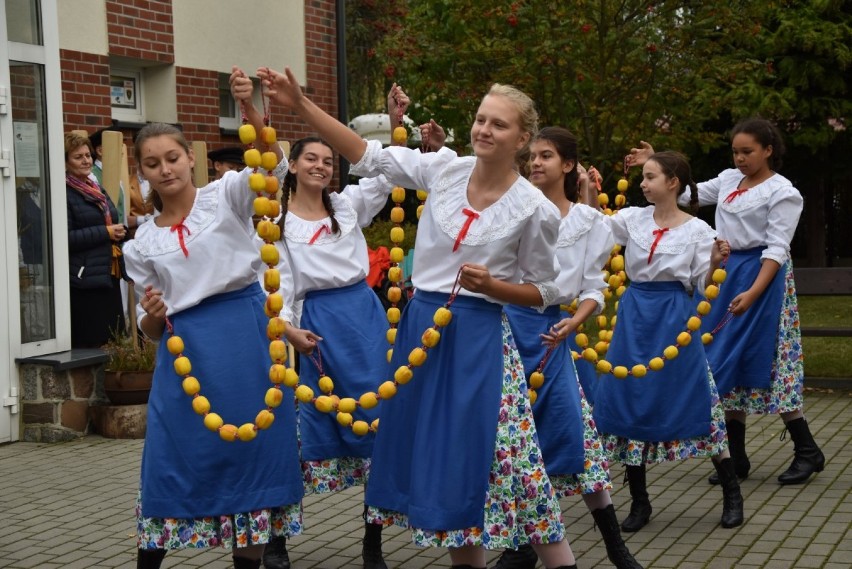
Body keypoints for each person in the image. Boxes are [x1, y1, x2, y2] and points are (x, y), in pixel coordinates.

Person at [260, 66, 580, 569]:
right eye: (480, 119)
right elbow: (364, 153)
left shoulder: (533, 208)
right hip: (420, 331)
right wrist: (299, 106)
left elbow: (546, 290)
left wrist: (493, 286)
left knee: (512, 463)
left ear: (522, 137)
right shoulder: (446, 169)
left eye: (498, 124)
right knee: (443, 468)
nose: (484, 130)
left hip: (477, 340)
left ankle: (557, 556)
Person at [231, 73, 401, 569]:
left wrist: (394, 123)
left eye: (329, 161)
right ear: (295, 166)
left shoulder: (347, 209)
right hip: (314, 324)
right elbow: (276, 280)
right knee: (299, 430)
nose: (322, 166)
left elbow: (387, 175)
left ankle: (373, 542)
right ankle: (279, 541)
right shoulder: (277, 220)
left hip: (363, 321)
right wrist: (286, 329)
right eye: (312, 159)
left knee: (375, 424)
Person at [122, 112, 303, 568]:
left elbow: (271, 167)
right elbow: (147, 324)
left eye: (172, 157)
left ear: (190, 159)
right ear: (141, 172)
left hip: (245, 338)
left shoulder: (225, 196)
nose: (165, 169)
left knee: (253, 456)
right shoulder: (140, 243)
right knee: (169, 460)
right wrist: (156, 317)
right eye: (151, 163)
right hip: (186, 353)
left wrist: (255, 112)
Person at [627, 119, 824, 485]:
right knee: (723, 360)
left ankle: (807, 449)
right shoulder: (730, 179)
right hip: (726, 273)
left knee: (766, 360)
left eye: (747, 152)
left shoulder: (783, 192)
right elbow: (686, 196)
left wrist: (753, 292)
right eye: (736, 151)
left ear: (768, 150)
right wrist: (655, 162)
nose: (740, 159)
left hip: (763, 277)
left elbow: (778, 249)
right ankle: (737, 457)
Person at [497, 127, 641, 569]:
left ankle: (617, 549)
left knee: (571, 434)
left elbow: (594, 288)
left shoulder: (589, 223)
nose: (536, 163)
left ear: (568, 165)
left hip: (550, 332)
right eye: (532, 156)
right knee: (510, 444)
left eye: (546, 156)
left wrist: (573, 321)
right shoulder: (509, 211)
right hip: (503, 331)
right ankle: (522, 546)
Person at [592, 151, 744, 532]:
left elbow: (703, 285)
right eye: (642, 177)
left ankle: (731, 491)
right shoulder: (633, 218)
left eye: (650, 176)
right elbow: (593, 227)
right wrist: (587, 190)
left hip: (674, 315)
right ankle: (640, 502)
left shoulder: (697, 230)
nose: (642, 183)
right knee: (631, 399)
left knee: (696, 395)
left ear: (672, 182)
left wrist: (713, 262)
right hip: (635, 314)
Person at [64, 132, 127, 348]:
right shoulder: (64, 192)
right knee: (93, 342)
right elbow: (64, 239)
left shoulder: (96, 188)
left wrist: (119, 232)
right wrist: (105, 232)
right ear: (65, 162)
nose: (86, 160)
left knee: (114, 340)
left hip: (108, 273)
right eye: (78, 157)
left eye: (88, 155)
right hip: (84, 280)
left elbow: (112, 218)